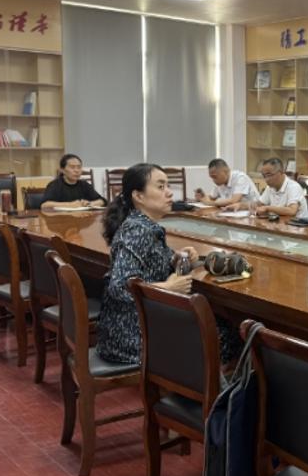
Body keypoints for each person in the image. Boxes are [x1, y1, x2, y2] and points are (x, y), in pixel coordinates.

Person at [96, 164, 200, 365]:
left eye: (168, 186)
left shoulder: (143, 225)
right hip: (132, 337)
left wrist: (176, 258)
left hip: (137, 326)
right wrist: (167, 287)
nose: (169, 192)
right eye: (160, 187)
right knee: (224, 334)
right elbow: (119, 287)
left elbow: (150, 266)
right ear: (138, 196)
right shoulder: (138, 230)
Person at [40, 153, 105, 211]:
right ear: (62, 170)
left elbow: (102, 201)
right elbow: (45, 205)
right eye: (72, 167)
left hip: (82, 218)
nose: (76, 170)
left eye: (79, 167)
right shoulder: (55, 185)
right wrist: (70, 205)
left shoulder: (84, 184)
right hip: (61, 219)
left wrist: (90, 203)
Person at [195, 158, 259, 210]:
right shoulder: (219, 182)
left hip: (252, 213)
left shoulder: (240, 177)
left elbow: (233, 201)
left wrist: (210, 203)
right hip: (232, 213)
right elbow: (211, 197)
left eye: (215, 177)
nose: (213, 180)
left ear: (226, 171)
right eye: (211, 177)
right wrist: (202, 197)